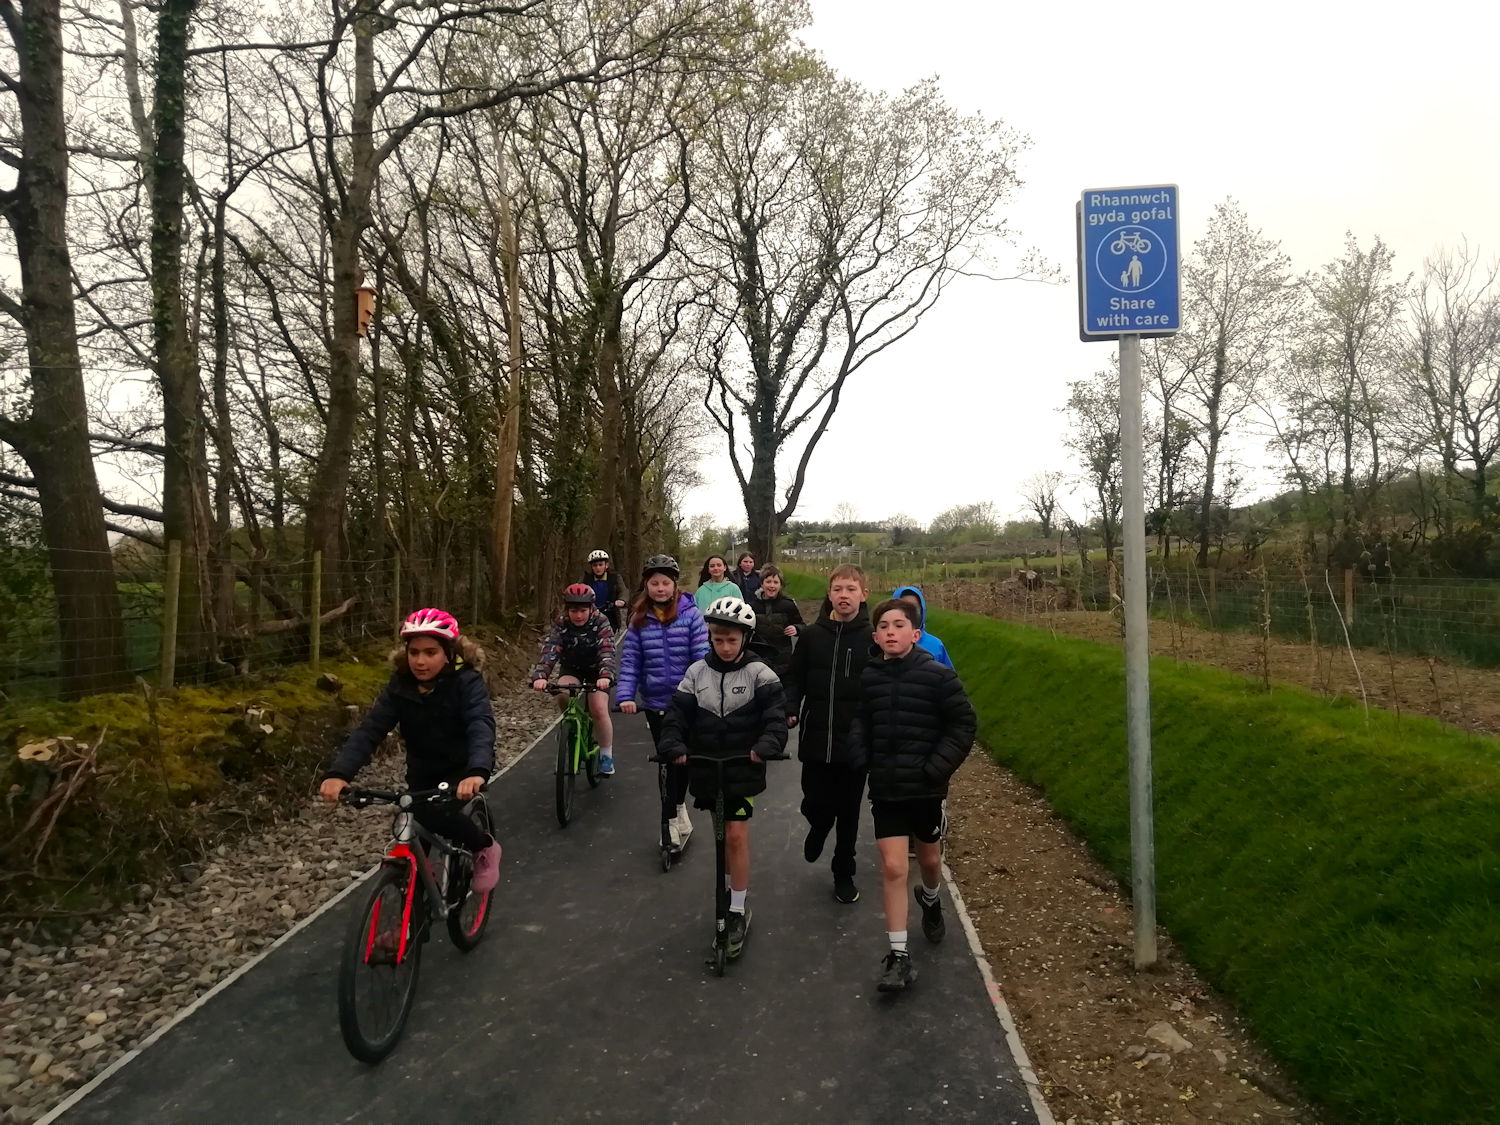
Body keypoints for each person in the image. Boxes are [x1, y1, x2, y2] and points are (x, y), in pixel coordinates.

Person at [320, 608, 502, 893]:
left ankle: (484, 846)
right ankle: (411, 929)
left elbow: (480, 724)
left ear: (448, 652)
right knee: (414, 842)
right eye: (414, 652)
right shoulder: (400, 685)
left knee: (433, 815)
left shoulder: (466, 682)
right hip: (421, 770)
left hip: (461, 769)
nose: (420, 660)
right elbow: (371, 730)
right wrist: (339, 773)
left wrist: (477, 770)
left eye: (430, 652)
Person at [850, 598, 976, 992]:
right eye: (884, 626)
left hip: (925, 789)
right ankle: (899, 956)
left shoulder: (939, 677)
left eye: (899, 625)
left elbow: (963, 725)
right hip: (886, 788)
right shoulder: (868, 677)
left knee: (929, 858)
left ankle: (932, 897)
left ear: (916, 634)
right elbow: (858, 720)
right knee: (892, 867)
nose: (891, 631)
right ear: (875, 636)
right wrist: (860, 754)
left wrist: (936, 770)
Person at [659, 596, 788, 960]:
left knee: (734, 835)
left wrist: (766, 744)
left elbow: (775, 718)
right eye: (718, 639)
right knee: (721, 838)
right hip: (705, 767)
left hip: (741, 769)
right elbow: (676, 715)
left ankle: (736, 909)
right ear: (710, 637)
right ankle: (731, 891)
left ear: (745, 638)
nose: (725, 646)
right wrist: (673, 743)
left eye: (732, 639)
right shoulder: (696, 673)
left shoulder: (761, 674)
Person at [783, 564, 873, 904]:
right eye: (838, 589)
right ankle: (819, 825)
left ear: (863, 594)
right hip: (815, 739)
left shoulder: (872, 640)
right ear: (829, 594)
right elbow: (794, 678)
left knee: (849, 811)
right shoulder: (811, 637)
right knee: (816, 800)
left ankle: (843, 873)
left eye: (851, 589)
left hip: (855, 743)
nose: (844, 595)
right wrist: (791, 707)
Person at [615, 555, 709, 849]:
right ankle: (668, 819)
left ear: (674, 585)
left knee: (685, 759)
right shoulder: (639, 620)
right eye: (654, 583)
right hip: (655, 702)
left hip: (686, 702)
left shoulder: (691, 615)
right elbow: (631, 661)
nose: (659, 588)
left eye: (665, 582)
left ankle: (679, 808)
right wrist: (626, 696)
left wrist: (701, 692)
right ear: (646, 585)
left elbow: (701, 655)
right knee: (667, 760)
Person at [530, 584, 617, 774]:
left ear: (591, 608)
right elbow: (551, 648)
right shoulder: (562, 622)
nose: (578, 615)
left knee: (599, 709)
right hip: (572, 668)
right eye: (573, 610)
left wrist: (605, 675)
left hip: (597, 671)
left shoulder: (601, 621)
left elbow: (607, 651)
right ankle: (573, 727)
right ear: (567, 609)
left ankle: (606, 755)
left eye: (583, 610)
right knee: (562, 693)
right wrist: (541, 675)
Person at [749, 564, 803, 680]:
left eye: (775, 582)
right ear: (762, 584)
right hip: (760, 657)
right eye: (768, 582)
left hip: (783, 658)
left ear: (780, 585)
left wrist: (796, 628)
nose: (772, 585)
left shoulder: (788, 605)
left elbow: (802, 626)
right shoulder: (752, 606)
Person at [892, 585, 953, 668]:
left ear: (921, 610)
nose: (910, 612)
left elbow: (950, 677)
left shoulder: (935, 645)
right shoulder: (886, 643)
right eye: (904, 607)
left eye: (914, 608)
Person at [582, 549, 629, 631]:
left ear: (606, 565)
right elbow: (579, 591)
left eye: (600, 565)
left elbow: (623, 591)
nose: (598, 568)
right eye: (595, 565)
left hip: (611, 614)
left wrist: (622, 600)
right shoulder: (587, 579)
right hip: (591, 615)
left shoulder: (614, 577)